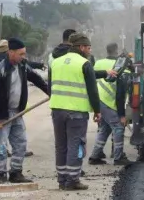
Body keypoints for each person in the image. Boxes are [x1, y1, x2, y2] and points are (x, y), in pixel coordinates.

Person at [49, 33, 117, 191]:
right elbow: (93, 90)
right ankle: (73, 180)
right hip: (76, 112)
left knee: (61, 145)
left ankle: (62, 179)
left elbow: (50, 87)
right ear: (80, 47)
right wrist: (97, 111)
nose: (89, 50)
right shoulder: (84, 63)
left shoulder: (56, 62)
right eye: (88, 47)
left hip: (57, 110)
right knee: (76, 144)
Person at [0, 38, 50, 184]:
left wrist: (50, 91)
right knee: (0, 145)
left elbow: (37, 79)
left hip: (17, 112)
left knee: (20, 142)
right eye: (21, 54)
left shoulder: (23, 66)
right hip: (1, 114)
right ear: (11, 52)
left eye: (24, 54)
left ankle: (16, 172)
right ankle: (1, 175)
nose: (24, 57)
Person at [88, 43, 133, 166]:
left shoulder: (99, 63)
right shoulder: (124, 71)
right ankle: (118, 158)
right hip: (108, 101)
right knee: (118, 127)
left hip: (99, 99)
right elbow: (120, 95)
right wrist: (122, 116)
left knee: (105, 128)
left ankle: (95, 156)